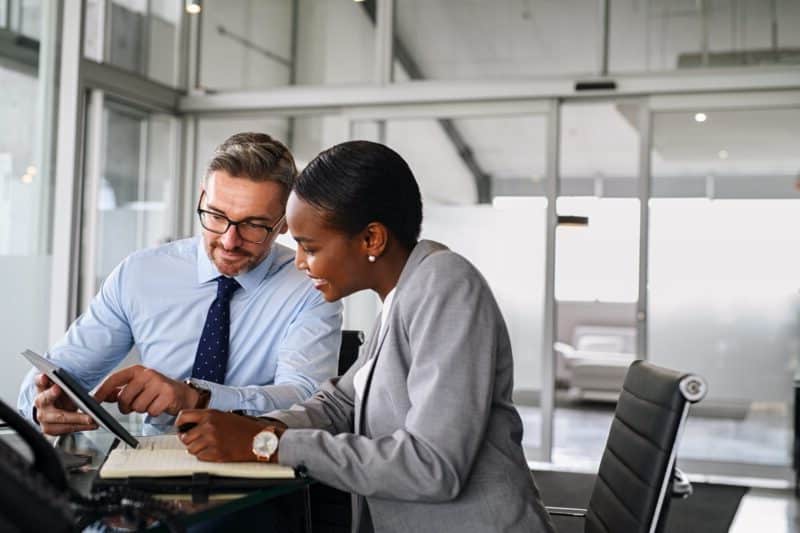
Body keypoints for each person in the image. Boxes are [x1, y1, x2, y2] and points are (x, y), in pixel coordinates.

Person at [176, 141, 556, 533]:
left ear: (372, 239)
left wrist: (268, 445)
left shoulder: (445, 285)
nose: (301, 262)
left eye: (310, 247)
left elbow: (433, 466)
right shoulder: (402, 294)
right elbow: (341, 400)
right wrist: (259, 428)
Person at [18, 132, 343, 436]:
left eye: (254, 225)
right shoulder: (140, 274)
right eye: (216, 216)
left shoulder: (311, 286)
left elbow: (306, 401)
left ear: (285, 221)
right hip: (144, 468)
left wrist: (198, 398)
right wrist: (43, 404)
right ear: (202, 197)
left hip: (257, 473)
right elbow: (56, 374)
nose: (229, 241)